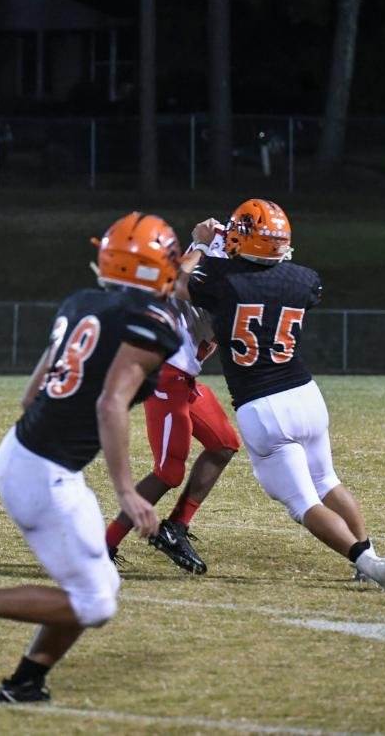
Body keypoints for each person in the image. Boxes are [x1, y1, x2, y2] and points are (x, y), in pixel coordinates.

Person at [0, 212, 183, 702]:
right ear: (153, 269)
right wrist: (127, 492)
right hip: (42, 472)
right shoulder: (153, 325)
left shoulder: (81, 301)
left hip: (29, 453)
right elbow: (110, 402)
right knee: (96, 604)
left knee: (100, 581)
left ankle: (25, 682)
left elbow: (31, 393)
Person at [178, 198, 385, 592]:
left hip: (262, 406)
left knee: (305, 504)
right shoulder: (305, 279)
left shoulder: (221, 278)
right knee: (328, 481)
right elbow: (274, 273)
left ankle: (370, 563)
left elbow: (173, 281)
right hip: (306, 395)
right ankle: (367, 552)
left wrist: (201, 243)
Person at [105, 225, 240, 574]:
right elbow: (175, 280)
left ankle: (175, 527)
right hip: (167, 373)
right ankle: (103, 545)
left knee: (224, 443)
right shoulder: (221, 273)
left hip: (185, 376)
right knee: (169, 471)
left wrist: (203, 246)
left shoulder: (226, 272)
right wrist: (201, 246)